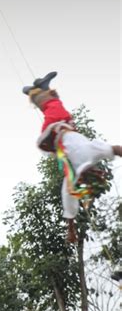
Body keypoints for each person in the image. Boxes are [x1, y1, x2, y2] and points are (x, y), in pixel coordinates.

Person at [22, 71, 122, 242]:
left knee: (52, 107)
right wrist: (71, 231)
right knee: (53, 105)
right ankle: (40, 87)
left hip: (55, 134)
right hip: (62, 127)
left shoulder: (72, 180)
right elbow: (117, 149)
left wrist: (71, 231)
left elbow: (70, 209)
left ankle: (38, 89)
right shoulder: (90, 155)